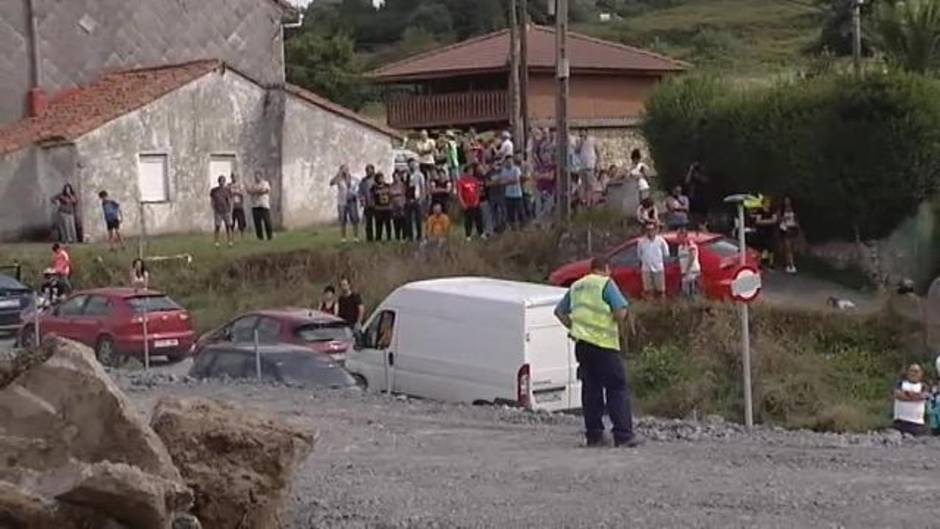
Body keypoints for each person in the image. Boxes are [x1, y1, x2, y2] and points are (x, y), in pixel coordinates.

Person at [554, 256, 639, 448]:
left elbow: (559, 312)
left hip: (583, 345)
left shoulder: (576, 286)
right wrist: (618, 318)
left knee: (590, 389)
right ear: (606, 269)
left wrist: (574, 326)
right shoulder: (606, 284)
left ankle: (594, 435)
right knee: (616, 387)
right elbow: (620, 311)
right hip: (604, 345)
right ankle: (623, 435)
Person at [893, 363, 929, 436]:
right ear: (908, 372)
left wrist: (907, 393)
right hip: (900, 422)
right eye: (911, 371)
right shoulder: (900, 383)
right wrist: (915, 396)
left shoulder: (924, 386)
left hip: (917, 424)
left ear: (921, 373)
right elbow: (898, 395)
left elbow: (923, 396)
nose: (914, 374)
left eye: (916, 371)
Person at [638, 222, 669, 299]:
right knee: (648, 291)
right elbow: (639, 255)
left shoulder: (661, 241)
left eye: (652, 230)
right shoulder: (641, 242)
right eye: (648, 230)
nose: (650, 232)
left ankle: (662, 307)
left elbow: (666, 254)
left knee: (661, 291)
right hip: (646, 269)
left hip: (658, 268)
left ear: (655, 230)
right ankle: (651, 307)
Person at [330, 165, 360, 243]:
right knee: (343, 220)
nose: (345, 171)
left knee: (354, 219)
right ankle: (343, 238)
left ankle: (356, 237)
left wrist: (357, 195)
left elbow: (358, 187)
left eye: (346, 169)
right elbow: (331, 183)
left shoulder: (353, 179)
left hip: (352, 201)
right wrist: (338, 175)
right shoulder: (339, 179)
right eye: (343, 169)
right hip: (342, 202)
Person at [457, 164, 484, 240]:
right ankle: (468, 235)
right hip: (467, 203)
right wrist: (462, 203)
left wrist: (477, 200)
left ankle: (481, 233)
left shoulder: (475, 180)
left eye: (472, 171)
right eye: (469, 171)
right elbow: (459, 193)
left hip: (475, 203)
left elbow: (478, 191)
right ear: (466, 172)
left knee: (479, 218)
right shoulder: (461, 181)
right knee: (468, 220)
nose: (471, 172)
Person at [404, 159, 426, 241]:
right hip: (408, 198)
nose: (412, 166)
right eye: (410, 164)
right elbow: (405, 186)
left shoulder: (420, 175)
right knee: (408, 219)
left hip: (417, 198)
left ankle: (419, 236)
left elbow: (423, 187)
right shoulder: (406, 175)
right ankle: (410, 236)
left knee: (418, 219)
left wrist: (422, 198)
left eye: (413, 164)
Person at [676, 226, 701, 299]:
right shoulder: (680, 247)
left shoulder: (690, 245)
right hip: (685, 273)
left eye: (679, 236)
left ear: (684, 236)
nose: (678, 238)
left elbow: (692, 257)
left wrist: (687, 270)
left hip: (692, 272)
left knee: (692, 293)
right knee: (686, 294)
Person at [210, 175, 234, 247]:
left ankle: (230, 241)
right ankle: (216, 242)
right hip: (218, 211)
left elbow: (230, 199)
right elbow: (212, 200)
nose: (222, 182)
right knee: (217, 226)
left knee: (228, 226)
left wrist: (230, 209)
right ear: (218, 182)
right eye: (220, 181)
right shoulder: (214, 190)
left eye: (223, 181)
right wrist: (213, 207)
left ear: (224, 182)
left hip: (226, 210)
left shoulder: (227, 190)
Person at [249, 171, 273, 241]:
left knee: (267, 222)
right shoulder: (253, 184)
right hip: (255, 206)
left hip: (264, 205)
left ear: (261, 176)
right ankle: (260, 237)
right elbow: (250, 191)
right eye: (255, 176)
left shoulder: (265, 183)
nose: (256, 177)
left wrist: (256, 192)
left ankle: (269, 236)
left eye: (258, 176)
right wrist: (255, 191)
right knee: (257, 223)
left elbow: (266, 191)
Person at [502, 155, 524, 228]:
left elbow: (516, 180)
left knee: (520, 211)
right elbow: (502, 181)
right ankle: (513, 227)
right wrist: (510, 180)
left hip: (517, 194)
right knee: (510, 213)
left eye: (510, 161)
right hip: (508, 195)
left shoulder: (516, 169)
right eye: (508, 161)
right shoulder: (504, 170)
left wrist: (507, 181)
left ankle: (522, 226)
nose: (509, 163)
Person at [779, 196, 800, 274]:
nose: (787, 202)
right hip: (785, 229)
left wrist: (796, 226)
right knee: (787, 248)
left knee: (792, 247)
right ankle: (790, 265)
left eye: (788, 200)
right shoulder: (782, 210)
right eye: (785, 200)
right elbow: (779, 219)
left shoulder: (794, 209)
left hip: (793, 228)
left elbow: (796, 219)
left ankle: (791, 263)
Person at [577, 130, 599, 206]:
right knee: (584, 185)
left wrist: (597, 163)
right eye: (580, 134)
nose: (582, 135)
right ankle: (585, 200)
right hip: (582, 166)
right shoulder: (579, 141)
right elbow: (577, 151)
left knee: (590, 185)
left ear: (586, 132)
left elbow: (597, 152)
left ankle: (590, 202)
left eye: (583, 133)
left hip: (590, 166)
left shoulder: (592, 140)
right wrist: (580, 143)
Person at [371, 172, 393, 242]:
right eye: (379, 178)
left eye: (382, 178)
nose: (381, 180)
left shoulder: (388, 186)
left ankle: (389, 237)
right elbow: (371, 197)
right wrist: (373, 205)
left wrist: (391, 204)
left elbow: (391, 195)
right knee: (378, 224)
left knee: (388, 224)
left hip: (387, 207)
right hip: (378, 208)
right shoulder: (374, 188)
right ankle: (378, 237)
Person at [359, 164, 377, 242]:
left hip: (376, 203)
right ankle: (369, 238)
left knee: (378, 221)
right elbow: (360, 192)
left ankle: (378, 236)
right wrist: (362, 200)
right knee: (368, 222)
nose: (368, 172)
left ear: (373, 170)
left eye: (370, 170)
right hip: (367, 204)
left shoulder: (377, 179)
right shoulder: (363, 181)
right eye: (367, 171)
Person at [390, 169, 409, 241]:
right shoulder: (391, 185)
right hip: (394, 206)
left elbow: (403, 193)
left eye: (396, 176)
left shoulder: (403, 185)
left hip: (402, 205)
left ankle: (404, 236)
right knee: (396, 221)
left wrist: (396, 194)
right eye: (394, 177)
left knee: (403, 221)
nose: (395, 178)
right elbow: (390, 193)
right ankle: (397, 236)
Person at [228, 172, 247, 239]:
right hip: (232, 206)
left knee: (241, 220)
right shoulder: (229, 185)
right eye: (233, 177)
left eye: (235, 176)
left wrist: (237, 192)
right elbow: (228, 194)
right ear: (231, 177)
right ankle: (231, 234)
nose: (234, 178)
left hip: (239, 205)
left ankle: (242, 234)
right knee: (232, 220)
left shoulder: (240, 185)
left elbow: (244, 194)